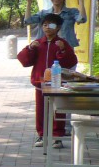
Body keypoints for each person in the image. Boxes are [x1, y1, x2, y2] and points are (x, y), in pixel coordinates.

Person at [17, 12, 78, 148]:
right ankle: (42, 135)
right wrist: (30, 48)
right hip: (41, 84)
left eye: (51, 25)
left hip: (57, 84)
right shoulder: (38, 43)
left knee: (57, 110)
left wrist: (63, 50)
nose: (47, 28)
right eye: (44, 25)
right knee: (41, 111)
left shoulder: (62, 44)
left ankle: (57, 137)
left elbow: (71, 62)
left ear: (58, 27)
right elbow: (24, 60)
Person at [24, 0, 88, 48]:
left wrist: (81, 0)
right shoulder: (43, 14)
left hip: (65, 49)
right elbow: (28, 21)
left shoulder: (71, 12)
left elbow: (82, 19)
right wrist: (29, 2)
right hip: (45, 49)